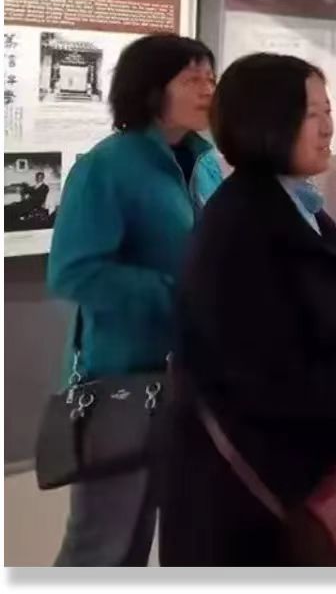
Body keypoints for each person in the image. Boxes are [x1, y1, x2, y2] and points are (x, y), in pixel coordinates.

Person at [159, 54, 336, 566]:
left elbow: (312, 305)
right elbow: (265, 379)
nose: (329, 127)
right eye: (313, 114)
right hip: (241, 490)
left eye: (329, 111)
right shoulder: (242, 227)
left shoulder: (296, 206)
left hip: (282, 467)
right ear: (267, 122)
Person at [45, 34, 222, 567]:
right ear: (151, 90)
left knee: (145, 533)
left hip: (185, 376)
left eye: (211, 78)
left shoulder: (204, 162)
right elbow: (74, 272)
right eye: (192, 79)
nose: (208, 90)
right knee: (102, 540)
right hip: (120, 377)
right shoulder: (107, 166)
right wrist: (176, 294)